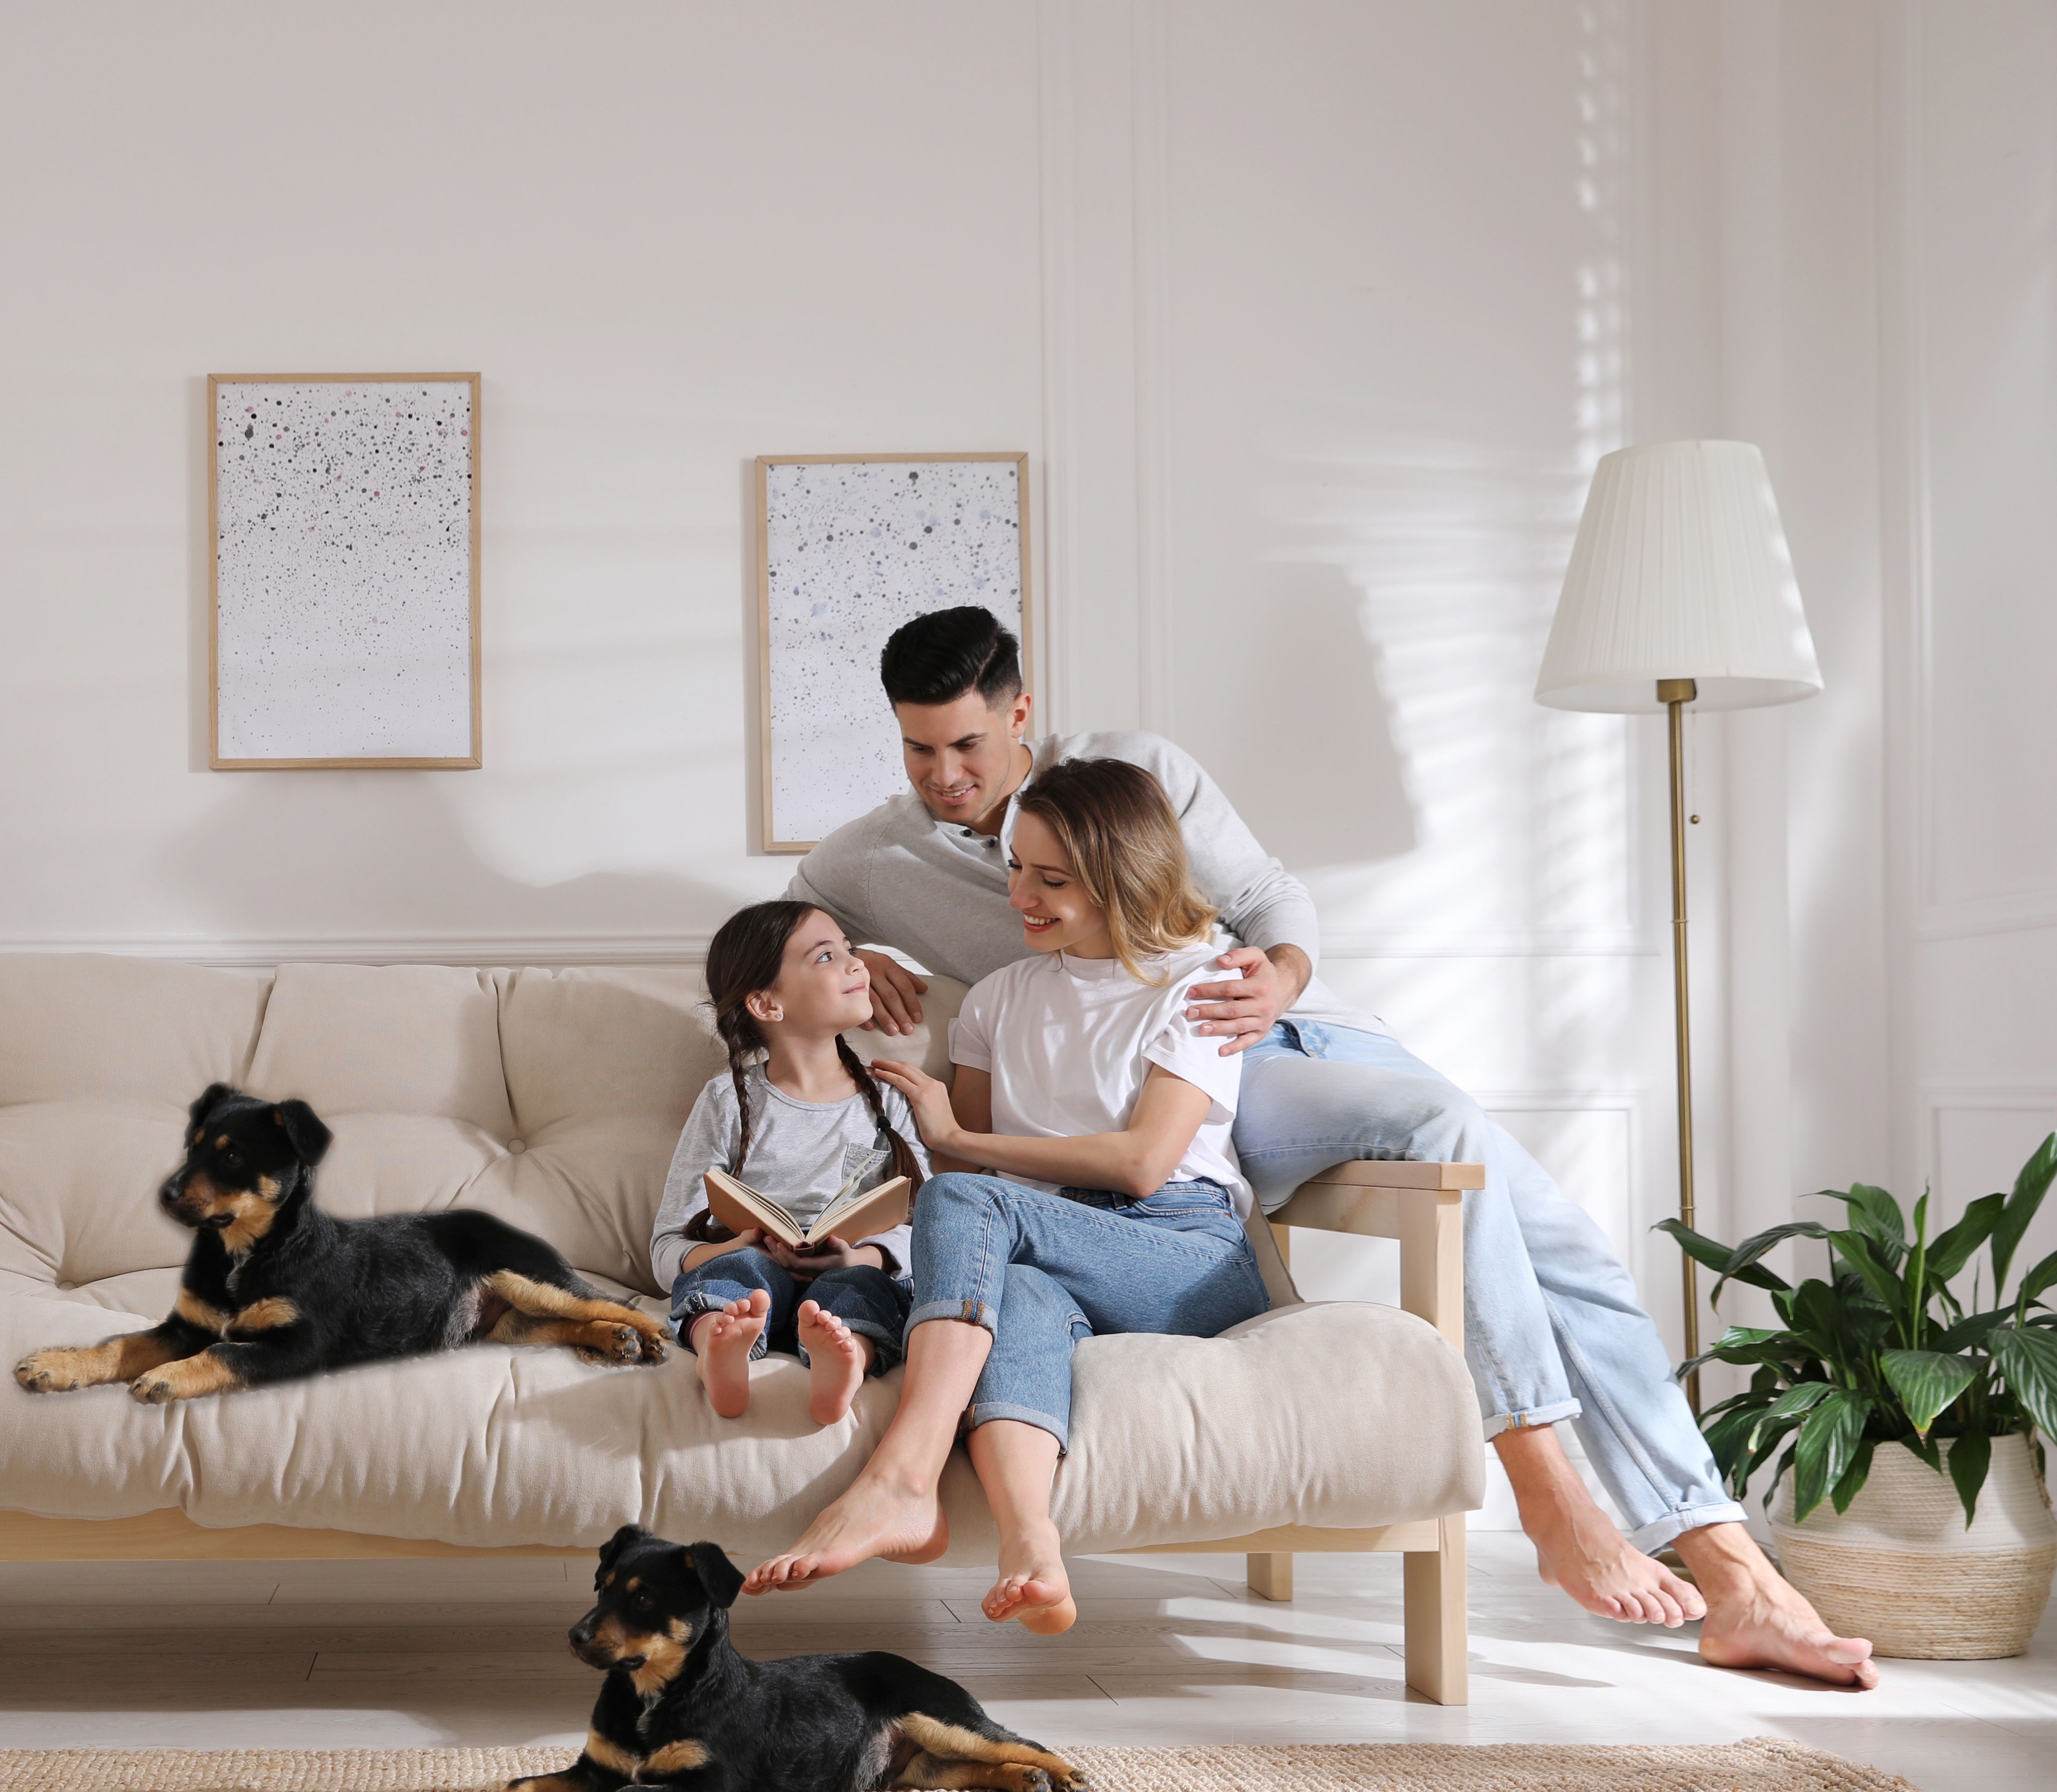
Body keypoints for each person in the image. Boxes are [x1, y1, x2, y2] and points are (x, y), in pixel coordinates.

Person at [757, 604, 1876, 1690]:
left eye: (967, 743)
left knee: (1557, 1242)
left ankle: (1683, 1550)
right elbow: (792, 914)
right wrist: (854, 947)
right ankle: (1629, 1533)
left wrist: (1274, 981)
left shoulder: (1132, 772)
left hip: (1270, 1041)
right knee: (1475, 1167)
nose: (946, 775)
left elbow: (1269, 899)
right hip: (1166, 1094)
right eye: (918, 751)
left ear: (1020, 713)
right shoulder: (884, 857)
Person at [863, 757, 1270, 1633]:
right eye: (1016, 867)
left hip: (1184, 1254)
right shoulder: (997, 1001)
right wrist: (944, 1155)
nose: (1022, 896)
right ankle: (1032, 1544)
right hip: (1051, 1244)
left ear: (1126, 877)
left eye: (1053, 879)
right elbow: (970, 1186)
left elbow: (1142, 1163)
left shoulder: (1204, 984)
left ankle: (904, 1472)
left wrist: (958, 1140)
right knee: (1023, 1291)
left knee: (973, 1207)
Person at [651, 902, 927, 1426]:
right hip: (755, 1277)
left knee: (863, 1293)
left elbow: (933, 1232)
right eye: (827, 956)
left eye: (849, 947)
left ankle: (846, 1362)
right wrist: (736, 1245)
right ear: (767, 1003)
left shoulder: (888, 1099)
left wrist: (861, 1260)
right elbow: (666, 1247)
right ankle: (720, 1346)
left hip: (850, 1273)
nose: (856, 964)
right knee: (736, 1272)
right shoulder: (726, 1101)